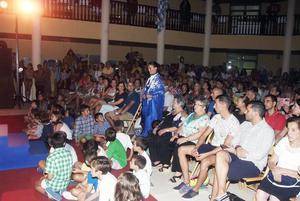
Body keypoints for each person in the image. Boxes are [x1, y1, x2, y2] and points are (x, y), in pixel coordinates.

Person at [175, 95, 240, 198]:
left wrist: (206, 154)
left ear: (223, 105)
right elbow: (204, 135)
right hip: (211, 146)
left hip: (222, 151)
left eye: (216, 104)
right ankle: (187, 181)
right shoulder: (216, 117)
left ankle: (196, 189)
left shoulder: (234, 122)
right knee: (181, 149)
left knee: (205, 161)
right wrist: (197, 147)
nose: (214, 106)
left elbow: (225, 145)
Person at [211, 101, 274, 201]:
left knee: (221, 169)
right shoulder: (245, 124)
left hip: (252, 164)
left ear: (255, 113)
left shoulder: (267, 131)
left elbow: (259, 155)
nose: (245, 112)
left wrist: (243, 153)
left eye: (248, 110)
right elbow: (235, 140)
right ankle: (221, 194)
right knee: (220, 154)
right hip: (237, 156)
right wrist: (237, 147)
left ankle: (215, 197)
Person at [256, 117, 300, 201]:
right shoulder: (284, 141)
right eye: (288, 129)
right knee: (260, 194)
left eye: (293, 130)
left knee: (274, 198)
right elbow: (272, 161)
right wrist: (274, 169)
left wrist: (282, 171)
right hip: (275, 174)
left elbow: (298, 175)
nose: (289, 133)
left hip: (293, 181)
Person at [169, 96, 210, 182]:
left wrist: (185, 139)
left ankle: (179, 172)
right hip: (184, 136)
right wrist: (176, 134)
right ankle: (167, 163)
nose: (195, 106)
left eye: (198, 105)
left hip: (194, 141)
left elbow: (200, 134)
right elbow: (183, 125)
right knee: (169, 139)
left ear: (204, 107)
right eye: (195, 104)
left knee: (179, 145)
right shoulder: (191, 114)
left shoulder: (205, 118)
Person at [148, 95, 187, 171]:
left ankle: (165, 161)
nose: (172, 103)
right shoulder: (172, 112)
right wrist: (157, 127)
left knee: (162, 139)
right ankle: (156, 160)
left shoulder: (183, 114)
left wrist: (165, 130)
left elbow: (178, 127)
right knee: (151, 137)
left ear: (179, 104)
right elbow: (163, 121)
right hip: (163, 130)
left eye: (174, 102)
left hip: (171, 132)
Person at [35, 132, 73, 200]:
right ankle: (61, 191)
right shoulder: (68, 153)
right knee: (44, 173)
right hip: (65, 183)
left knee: (37, 185)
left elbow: (49, 177)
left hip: (54, 185)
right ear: (64, 143)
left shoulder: (51, 158)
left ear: (50, 144)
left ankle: (51, 195)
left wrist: (44, 174)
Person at [141, 61, 165, 137]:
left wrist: (151, 96)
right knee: (146, 119)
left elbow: (161, 93)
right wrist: (144, 95)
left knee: (151, 120)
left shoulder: (158, 80)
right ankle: (146, 134)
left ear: (155, 68)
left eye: (151, 68)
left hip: (153, 105)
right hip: (147, 104)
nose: (149, 70)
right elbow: (145, 90)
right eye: (148, 68)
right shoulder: (150, 79)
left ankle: (150, 136)